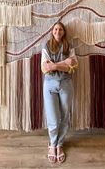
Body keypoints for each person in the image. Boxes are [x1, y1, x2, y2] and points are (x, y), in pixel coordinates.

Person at [41, 21, 78, 164]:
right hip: (49, 84)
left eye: (60, 29)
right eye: (55, 29)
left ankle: (59, 145)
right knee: (53, 118)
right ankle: (52, 144)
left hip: (66, 84)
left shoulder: (69, 47)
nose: (58, 31)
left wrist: (54, 65)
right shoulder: (46, 46)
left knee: (64, 115)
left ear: (64, 32)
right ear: (52, 31)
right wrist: (64, 63)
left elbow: (73, 67)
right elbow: (45, 68)